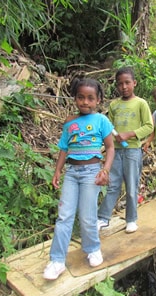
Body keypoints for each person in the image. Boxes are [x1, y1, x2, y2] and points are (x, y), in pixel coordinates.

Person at [43, 78, 114, 280]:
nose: (85, 102)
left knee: (87, 215)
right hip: (72, 174)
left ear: (98, 100)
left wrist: (106, 170)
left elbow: (110, 148)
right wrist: (57, 171)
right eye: (81, 97)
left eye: (90, 98)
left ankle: (92, 248)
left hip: (92, 172)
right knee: (64, 216)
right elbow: (64, 149)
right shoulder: (70, 122)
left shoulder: (102, 120)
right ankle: (57, 261)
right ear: (75, 98)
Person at [97, 67, 154, 233]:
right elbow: (109, 128)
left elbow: (149, 127)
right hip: (115, 151)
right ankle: (103, 218)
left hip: (133, 151)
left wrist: (129, 134)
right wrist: (110, 139)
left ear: (134, 83)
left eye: (127, 82)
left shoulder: (141, 103)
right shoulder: (114, 105)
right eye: (120, 84)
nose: (124, 87)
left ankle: (131, 219)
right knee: (113, 185)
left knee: (131, 186)